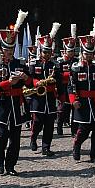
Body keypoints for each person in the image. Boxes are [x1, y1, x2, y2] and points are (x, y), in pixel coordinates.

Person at [0, 12, 30, 175]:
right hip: (1, 105)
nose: (9, 52)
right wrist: (8, 83)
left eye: (12, 48)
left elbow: (29, 81)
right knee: (1, 136)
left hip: (16, 105)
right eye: (7, 49)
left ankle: (11, 164)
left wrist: (26, 77)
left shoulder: (19, 62)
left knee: (15, 138)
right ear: (1, 48)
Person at [69, 25, 95, 164]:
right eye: (86, 53)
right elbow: (71, 86)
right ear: (82, 53)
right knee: (84, 130)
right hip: (83, 102)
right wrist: (74, 100)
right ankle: (77, 144)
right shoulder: (76, 68)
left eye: (91, 53)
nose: (89, 56)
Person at [27, 24, 61, 156]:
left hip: (50, 97)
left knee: (49, 124)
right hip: (38, 97)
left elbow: (59, 81)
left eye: (48, 52)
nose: (46, 54)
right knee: (37, 121)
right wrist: (37, 83)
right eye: (44, 52)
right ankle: (33, 138)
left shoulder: (55, 65)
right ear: (40, 52)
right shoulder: (35, 64)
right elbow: (30, 79)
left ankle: (46, 146)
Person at [56, 26, 77, 136]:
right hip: (63, 88)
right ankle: (59, 127)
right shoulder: (60, 62)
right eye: (69, 51)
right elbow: (58, 76)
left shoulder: (76, 61)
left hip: (73, 88)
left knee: (74, 109)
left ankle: (74, 131)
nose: (71, 53)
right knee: (63, 109)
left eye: (73, 51)